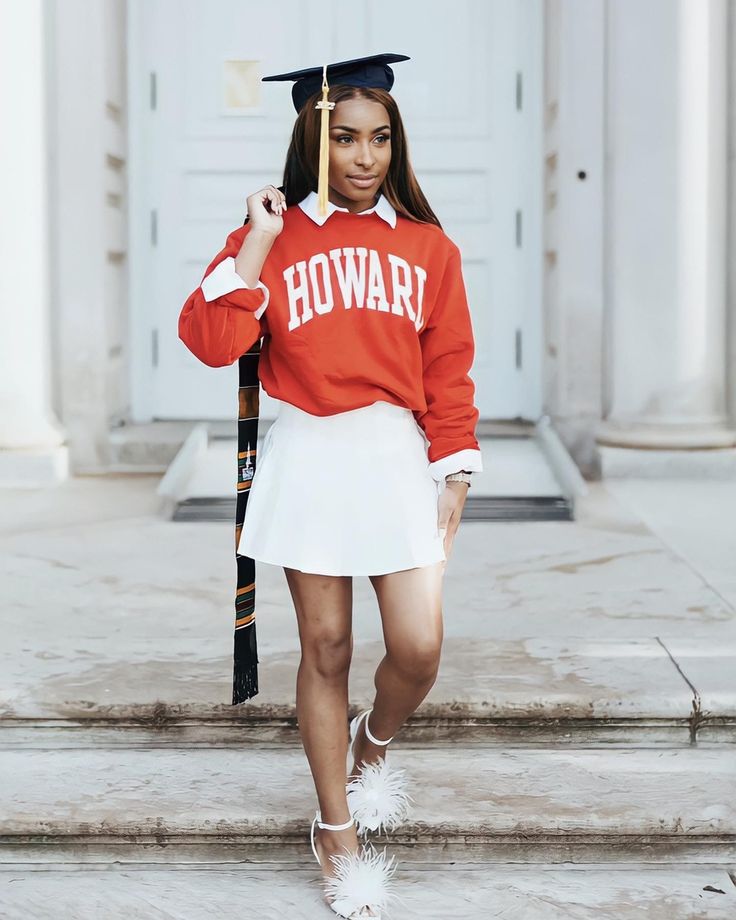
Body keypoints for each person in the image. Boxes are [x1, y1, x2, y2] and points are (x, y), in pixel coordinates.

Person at [178, 53, 483, 920]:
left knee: (418, 648)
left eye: (380, 138)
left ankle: (373, 742)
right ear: (313, 138)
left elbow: (449, 369)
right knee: (328, 651)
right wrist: (259, 246)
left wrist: (454, 468)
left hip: (394, 455)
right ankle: (335, 828)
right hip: (310, 454)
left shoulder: (428, 247)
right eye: (345, 137)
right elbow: (206, 337)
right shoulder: (271, 240)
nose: (364, 156)